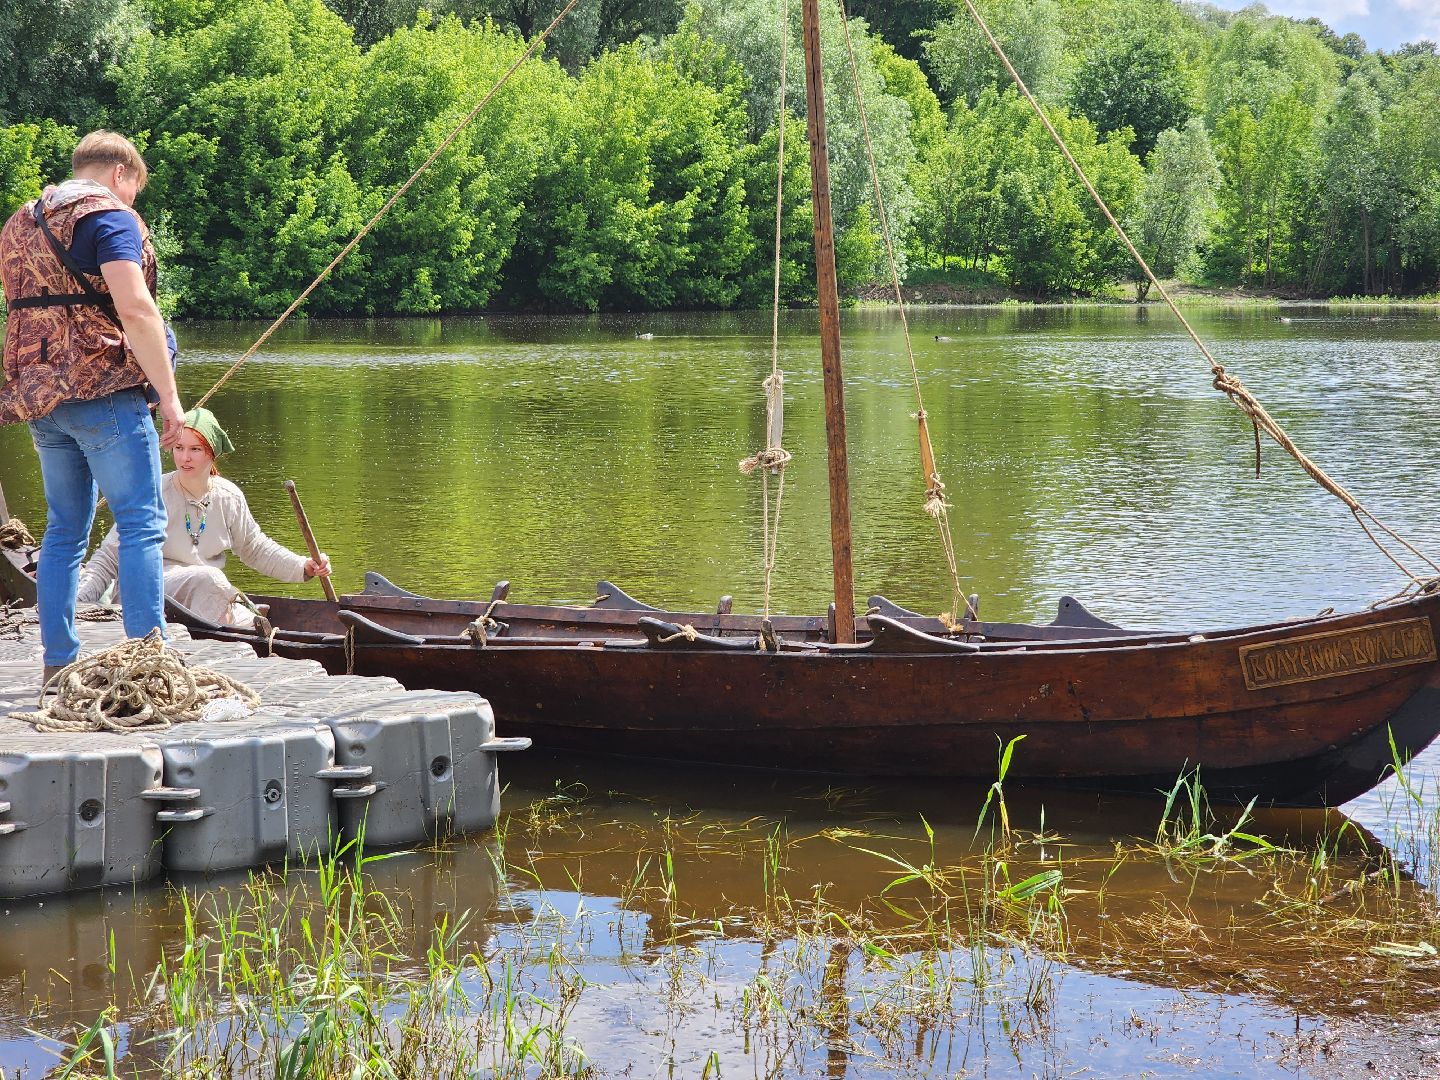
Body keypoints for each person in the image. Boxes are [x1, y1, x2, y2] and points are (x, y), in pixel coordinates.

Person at [0, 131, 186, 680]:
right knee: (143, 522)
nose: (131, 204)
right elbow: (136, 307)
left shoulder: (21, 223)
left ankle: (58, 662)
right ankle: (149, 666)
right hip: (102, 391)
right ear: (121, 174)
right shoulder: (107, 217)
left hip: (38, 396)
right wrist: (169, 397)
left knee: (63, 530)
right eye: (133, 192)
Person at [77, 408, 331, 627]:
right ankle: (233, 625)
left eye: (195, 449)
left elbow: (255, 548)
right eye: (178, 448)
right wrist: (80, 601)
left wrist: (303, 566)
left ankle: (239, 627)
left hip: (206, 595)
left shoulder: (228, 496)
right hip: (146, 593)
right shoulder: (153, 492)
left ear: (212, 453)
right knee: (210, 579)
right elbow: (110, 556)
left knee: (222, 594)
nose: (184, 458)